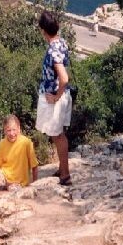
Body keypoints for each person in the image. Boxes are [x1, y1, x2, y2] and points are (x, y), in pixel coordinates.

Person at [36, 10, 73, 186]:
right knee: (58, 134)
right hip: (62, 96)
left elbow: (64, 77)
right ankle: (62, 168)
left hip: (55, 98)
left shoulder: (52, 50)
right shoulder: (62, 42)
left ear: (43, 30)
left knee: (57, 135)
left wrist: (56, 96)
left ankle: (65, 175)